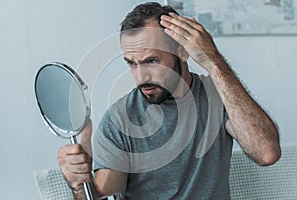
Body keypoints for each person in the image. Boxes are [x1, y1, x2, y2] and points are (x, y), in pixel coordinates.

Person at [58, 2, 281, 200]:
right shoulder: (119, 120)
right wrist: (80, 185)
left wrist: (213, 60)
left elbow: (267, 153)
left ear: (182, 52)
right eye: (131, 63)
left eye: (151, 61)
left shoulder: (219, 96)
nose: (141, 76)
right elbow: (106, 195)